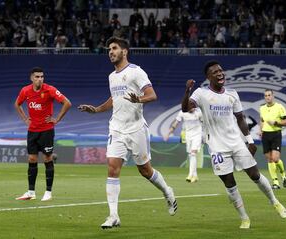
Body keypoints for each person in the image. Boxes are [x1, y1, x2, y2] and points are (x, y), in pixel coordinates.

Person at [78, 37, 177, 229]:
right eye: (109, 49)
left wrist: (138, 99)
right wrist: (97, 110)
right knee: (112, 168)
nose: (110, 52)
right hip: (116, 128)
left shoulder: (136, 72)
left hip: (136, 128)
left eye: (114, 48)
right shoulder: (111, 76)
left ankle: (167, 192)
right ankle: (113, 215)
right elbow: (114, 99)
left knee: (145, 170)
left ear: (124, 51)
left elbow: (152, 95)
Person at [181, 60, 286, 229]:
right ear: (209, 76)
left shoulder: (232, 94)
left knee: (255, 175)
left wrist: (250, 141)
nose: (220, 73)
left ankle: (275, 201)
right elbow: (186, 108)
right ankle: (244, 218)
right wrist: (187, 91)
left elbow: (240, 118)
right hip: (217, 146)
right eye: (215, 72)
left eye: (221, 71)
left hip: (236, 143)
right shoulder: (200, 93)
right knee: (230, 184)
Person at [14, 67, 72, 201]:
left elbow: (67, 103)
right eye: (37, 77)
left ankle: (48, 192)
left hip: (46, 130)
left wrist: (57, 119)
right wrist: (24, 118)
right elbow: (17, 104)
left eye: (42, 77)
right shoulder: (25, 90)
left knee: (47, 158)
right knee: (32, 159)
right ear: (31, 78)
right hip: (32, 130)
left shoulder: (50, 89)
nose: (40, 79)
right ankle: (31, 192)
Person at [259, 89, 286, 189]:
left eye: (269, 95)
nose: (267, 97)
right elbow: (262, 120)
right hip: (266, 135)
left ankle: (283, 175)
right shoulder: (262, 108)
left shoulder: (279, 107)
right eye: (266, 96)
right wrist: (261, 130)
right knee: (269, 159)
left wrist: (276, 123)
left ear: (273, 96)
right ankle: (275, 182)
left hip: (276, 134)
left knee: (275, 158)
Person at [164, 108, 203, 183]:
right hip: (188, 135)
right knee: (191, 155)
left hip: (197, 134)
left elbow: (205, 123)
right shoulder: (182, 112)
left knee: (193, 153)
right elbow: (175, 124)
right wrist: (168, 134)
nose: (192, 108)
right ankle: (195, 175)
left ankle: (190, 175)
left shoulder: (199, 112)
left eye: (193, 106)